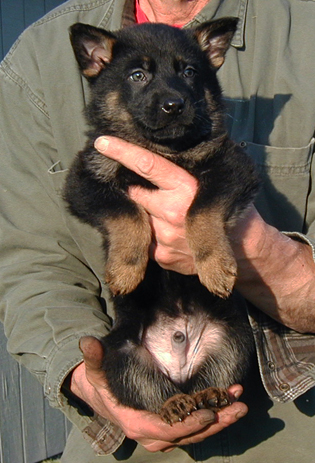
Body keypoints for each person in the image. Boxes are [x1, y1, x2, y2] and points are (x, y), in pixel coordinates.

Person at [0, 0, 315, 461]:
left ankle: (209, 394)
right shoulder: (37, 60)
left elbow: (231, 177)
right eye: (138, 76)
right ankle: (165, 403)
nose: (171, 95)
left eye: (188, 74)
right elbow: (30, 260)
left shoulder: (302, 30)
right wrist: (89, 382)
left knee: (231, 342)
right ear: (96, 63)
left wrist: (260, 255)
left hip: (287, 414)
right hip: (134, 386)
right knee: (123, 355)